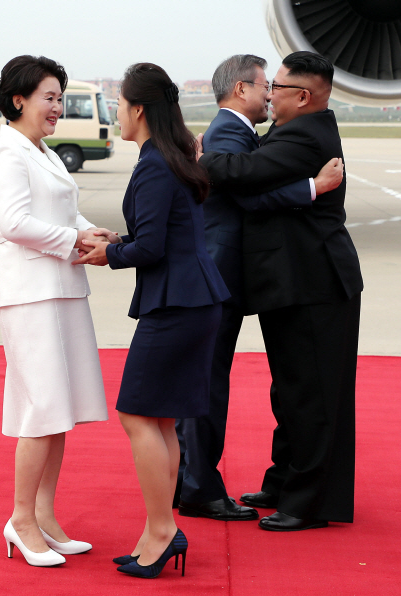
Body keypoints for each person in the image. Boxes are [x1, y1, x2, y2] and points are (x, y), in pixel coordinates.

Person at [76, 62, 230, 578]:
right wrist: (117, 241)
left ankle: (162, 530)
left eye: (119, 103)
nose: (117, 112)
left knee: (137, 414)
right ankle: (157, 530)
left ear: (138, 109)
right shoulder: (170, 157)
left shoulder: (154, 164)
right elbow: (159, 234)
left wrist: (108, 254)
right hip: (192, 300)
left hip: (177, 305)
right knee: (160, 418)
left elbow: (153, 246)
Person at [199, 51, 363, 531]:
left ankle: (308, 502)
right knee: (291, 391)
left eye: (279, 88)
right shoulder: (297, 131)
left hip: (314, 283)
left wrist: (199, 158)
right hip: (294, 281)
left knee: (312, 395)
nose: (270, 95)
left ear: (304, 96)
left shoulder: (304, 136)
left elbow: (242, 177)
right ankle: (285, 479)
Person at [0, 55, 109, 566]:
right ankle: (21, 519)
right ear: (19, 99)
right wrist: (73, 238)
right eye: (49, 97)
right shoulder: (7, 153)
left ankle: (45, 515)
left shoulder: (44, 152)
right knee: (40, 410)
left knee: (59, 410)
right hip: (30, 293)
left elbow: (64, 211)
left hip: (62, 288)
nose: (58, 107)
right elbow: (14, 223)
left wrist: (96, 234)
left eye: (61, 98)